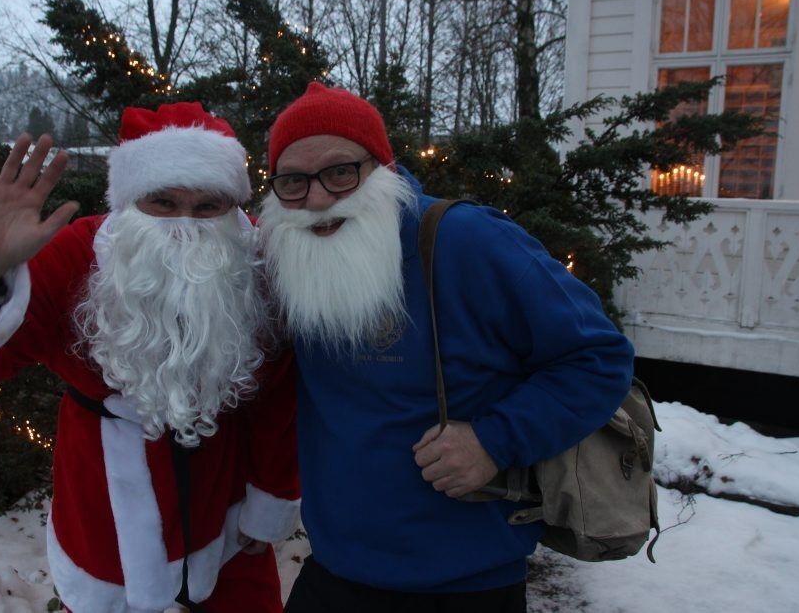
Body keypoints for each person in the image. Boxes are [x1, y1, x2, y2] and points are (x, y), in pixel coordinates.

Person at [0, 103, 300, 613]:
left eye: (208, 205)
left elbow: (279, 397)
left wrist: (269, 499)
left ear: (232, 207)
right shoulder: (77, 255)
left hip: (226, 517)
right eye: (163, 202)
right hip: (106, 515)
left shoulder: (253, 260)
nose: (184, 225)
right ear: (129, 202)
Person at [257, 82, 635, 613]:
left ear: (383, 168)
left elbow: (598, 358)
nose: (317, 199)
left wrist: (495, 440)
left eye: (341, 172)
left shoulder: (465, 240)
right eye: (293, 181)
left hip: (466, 583)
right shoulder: (289, 253)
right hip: (336, 571)